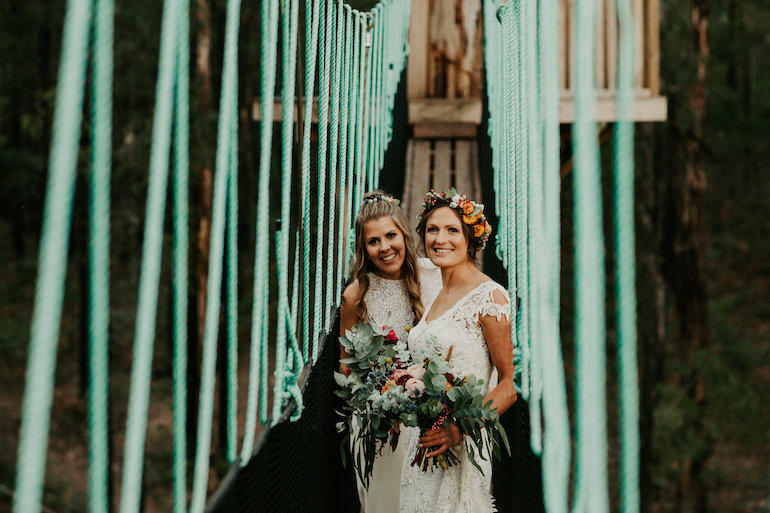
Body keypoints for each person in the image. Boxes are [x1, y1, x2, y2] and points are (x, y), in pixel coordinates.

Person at [399, 189, 518, 513]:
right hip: (420, 441)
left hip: (459, 444)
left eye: (452, 230)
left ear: (471, 239)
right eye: (433, 229)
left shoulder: (490, 297)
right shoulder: (436, 292)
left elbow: (509, 384)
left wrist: (458, 429)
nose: (441, 239)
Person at [339, 190, 443, 513]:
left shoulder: (434, 276)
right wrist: (382, 400)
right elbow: (347, 371)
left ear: (403, 234)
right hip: (380, 428)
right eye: (373, 241)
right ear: (364, 248)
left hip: (429, 419)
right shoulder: (356, 296)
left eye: (390, 236)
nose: (384, 247)